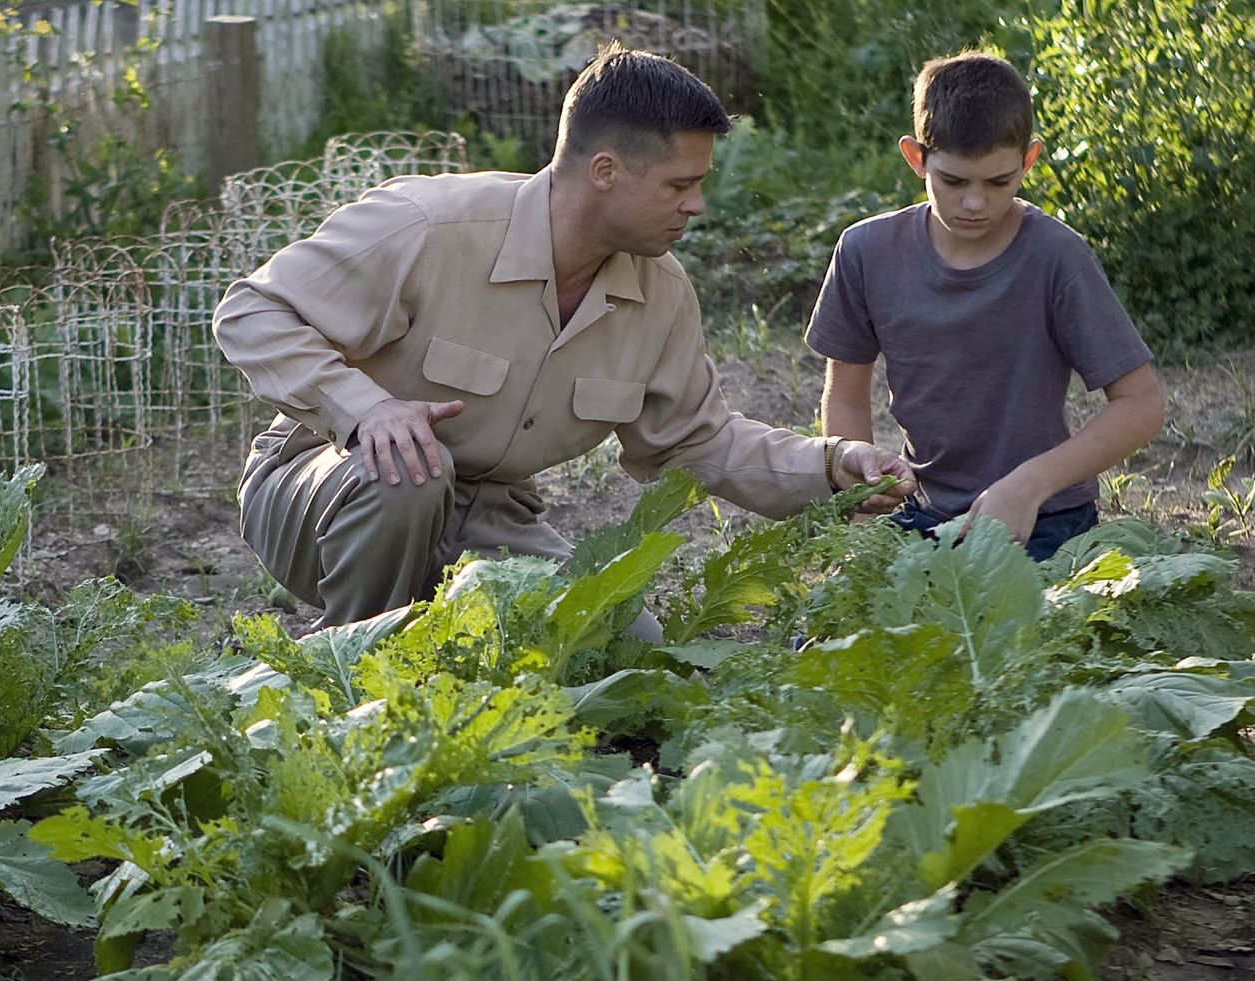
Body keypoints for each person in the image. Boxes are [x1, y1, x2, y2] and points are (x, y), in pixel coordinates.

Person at [214, 46, 915, 630]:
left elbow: (696, 442)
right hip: (325, 490)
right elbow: (251, 311)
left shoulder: (660, 291)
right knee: (407, 470)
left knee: (628, 646)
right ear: (605, 171)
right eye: (679, 185)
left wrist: (830, 465)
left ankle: (436, 649)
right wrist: (365, 410)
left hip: (485, 519)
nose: (697, 205)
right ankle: (346, 675)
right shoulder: (429, 227)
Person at [807, 51, 1164, 562]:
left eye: (999, 182)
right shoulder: (866, 251)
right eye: (953, 182)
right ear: (916, 158)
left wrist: (1029, 486)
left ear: (1028, 160)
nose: (975, 203)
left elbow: (1141, 404)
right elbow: (845, 394)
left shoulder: (1056, 256)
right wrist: (860, 494)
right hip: (922, 514)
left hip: (1043, 520)